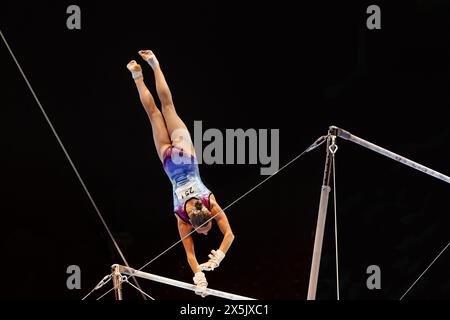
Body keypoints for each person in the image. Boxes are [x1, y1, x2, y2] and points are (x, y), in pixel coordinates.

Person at [126, 50, 235, 297]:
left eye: (205, 232)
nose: (206, 234)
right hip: (168, 161)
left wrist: (214, 261)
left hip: (185, 154)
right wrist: (202, 273)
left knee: (166, 106)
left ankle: (154, 64)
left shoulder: (210, 203)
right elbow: (190, 254)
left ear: (202, 223)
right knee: (154, 113)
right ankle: (137, 76)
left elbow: (229, 234)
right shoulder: (181, 218)